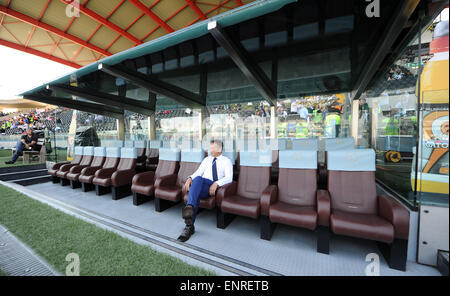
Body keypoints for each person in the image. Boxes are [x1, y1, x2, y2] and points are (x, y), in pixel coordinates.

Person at [178, 139, 233, 242]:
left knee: (196, 186)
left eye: (213, 148)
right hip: (202, 185)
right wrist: (189, 178)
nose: (210, 150)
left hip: (214, 187)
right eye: (210, 147)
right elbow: (198, 173)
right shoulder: (206, 160)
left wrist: (216, 183)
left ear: (220, 149)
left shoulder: (226, 161)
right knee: (197, 179)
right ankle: (189, 224)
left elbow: (229, 178)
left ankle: (189, 220)